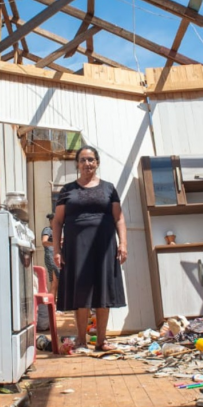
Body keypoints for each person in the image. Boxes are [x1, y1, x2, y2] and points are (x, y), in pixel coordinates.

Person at [52, 146, 127, 353]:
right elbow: (57, 222)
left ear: (97, 163)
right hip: (76, 247)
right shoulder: (67, 190)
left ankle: (101, 341)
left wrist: (123, 244)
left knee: (104, 290)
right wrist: (57, 250)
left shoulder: (109, 188)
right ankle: (81, 341)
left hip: (104, 245)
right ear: (77, 164)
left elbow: (118, 217)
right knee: (81, 291)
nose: (87, 164)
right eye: (83, 160)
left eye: (91, 160)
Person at [40, 213, 60, 297]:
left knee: (55, 282)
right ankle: (53, 305)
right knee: (55, 282)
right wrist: (56, 244)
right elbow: (44, 242)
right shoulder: (47, 230)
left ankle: (54, 304)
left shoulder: (55, 230)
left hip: (55, 257)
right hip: (51, 257)